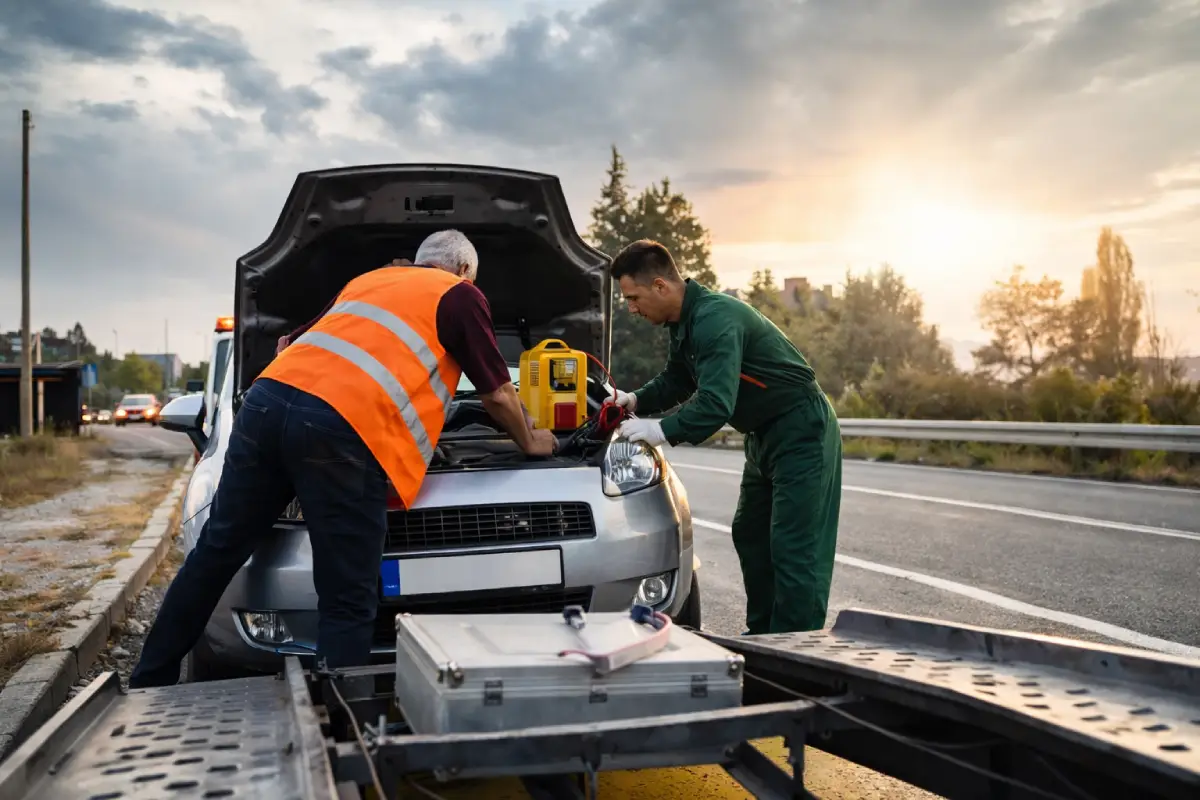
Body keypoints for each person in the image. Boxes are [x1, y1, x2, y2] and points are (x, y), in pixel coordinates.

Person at [130, 230, 557, 687]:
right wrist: (532, 442)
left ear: (418, 261)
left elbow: (284, 347)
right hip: (341, 428)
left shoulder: (368, 283)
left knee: (214, 554)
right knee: (347, 595)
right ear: (466, 271)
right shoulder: (460, 295)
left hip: (266, 405)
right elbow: (496, 393)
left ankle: (147, 680)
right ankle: (339, 725)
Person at [610, 240, 842, 635]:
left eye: (633, 297)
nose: (631, 308)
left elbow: (716, 403)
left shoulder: (715, 318)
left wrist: (660, 430)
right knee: (751, 533)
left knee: (794, 546)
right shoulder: (684, 323)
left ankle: (799, 649)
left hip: (801, 429)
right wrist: (633, 399)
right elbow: (677, 380)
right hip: (764, 435)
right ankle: (765, 638)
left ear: (662, 286)